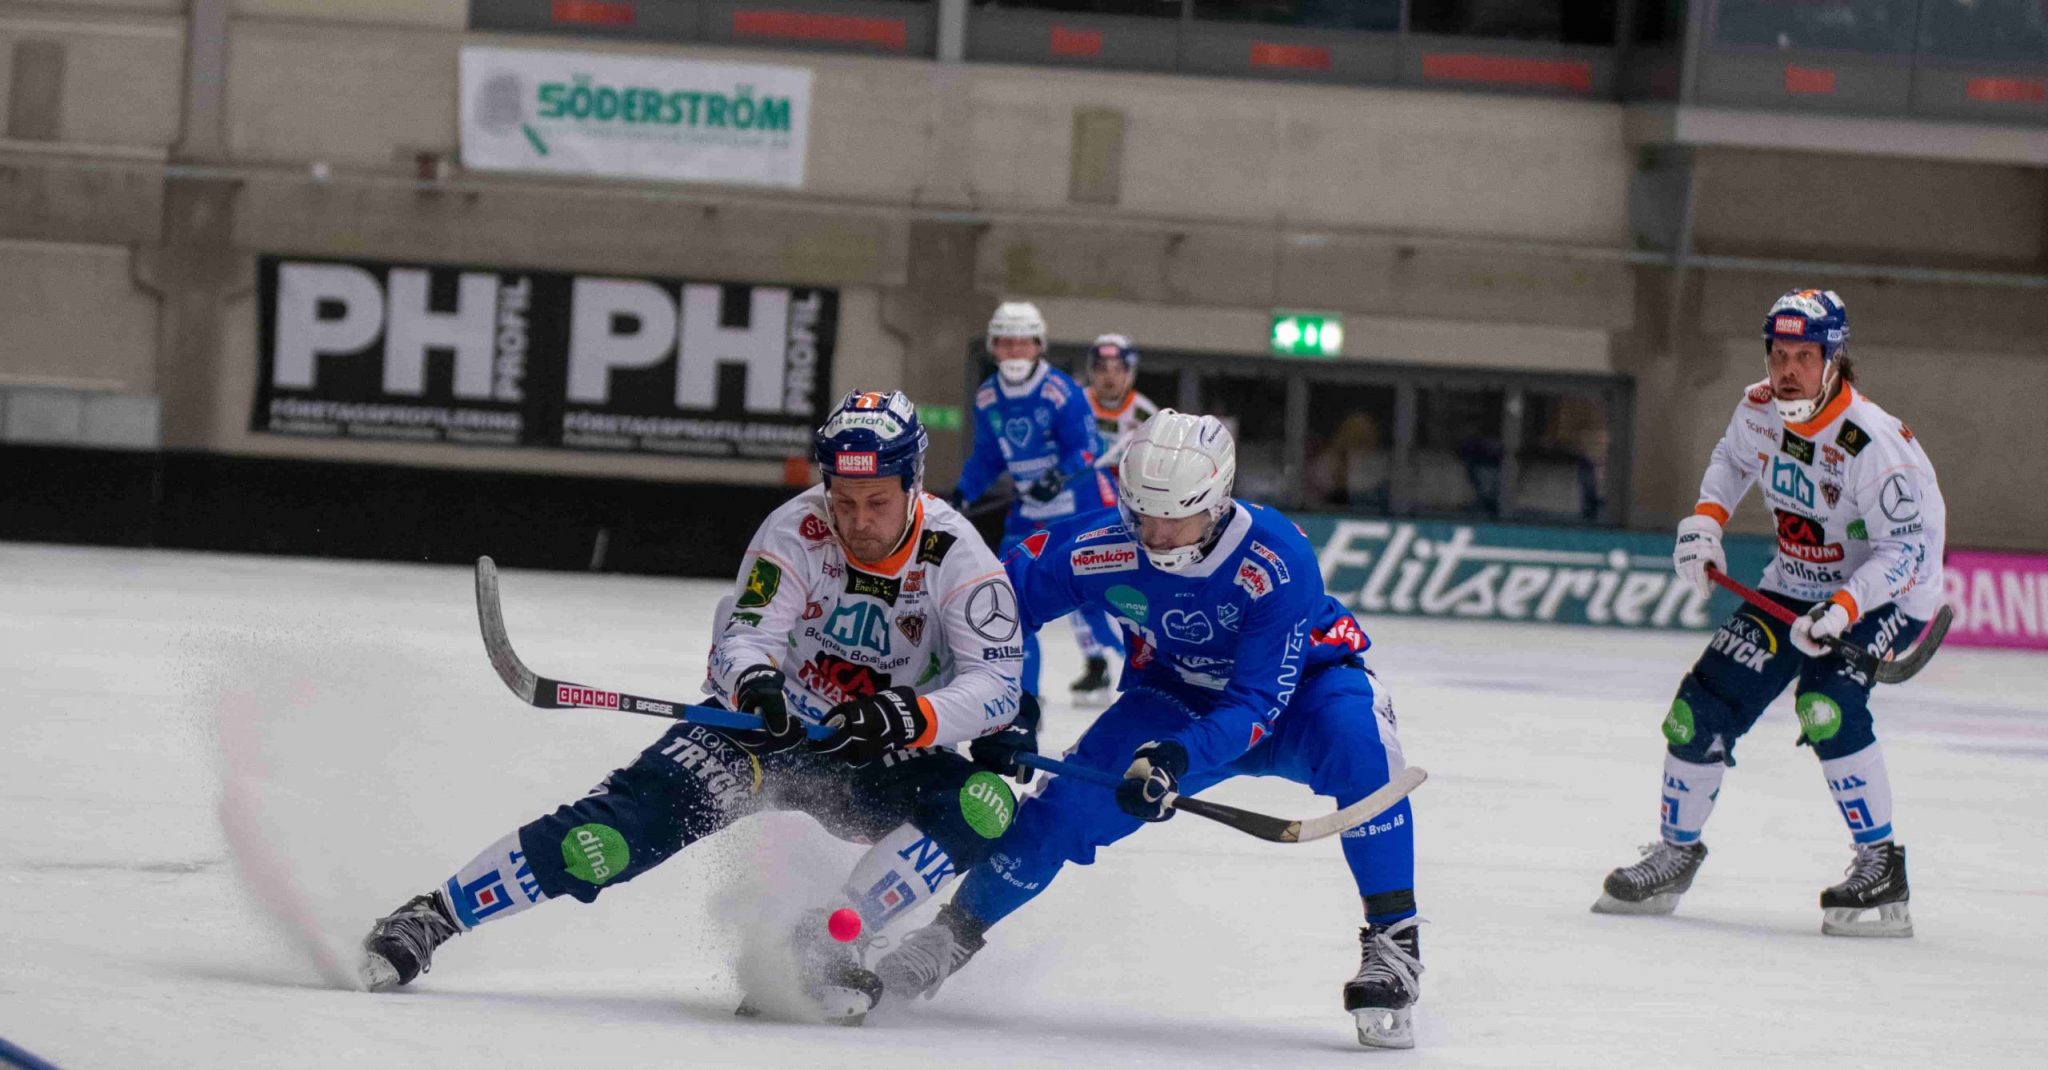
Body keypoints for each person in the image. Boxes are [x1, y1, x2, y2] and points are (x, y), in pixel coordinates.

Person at [358, 390, 1037, 1022]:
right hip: (761, 735)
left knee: (982, 803)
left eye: (878, 502)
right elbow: (744, 633)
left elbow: (998, 685)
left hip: (874, 752)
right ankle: (433, 916)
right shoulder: (796, 529)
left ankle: (830, 938)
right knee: (611, 837)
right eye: (845, 499)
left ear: (914, 483)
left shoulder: (962, 562)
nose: (857, 521)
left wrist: (905, 717)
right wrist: (756, 685)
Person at [879, 410, 1428, 1049]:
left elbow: (1257, 704)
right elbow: (996, 612)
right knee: (1059, 812)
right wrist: (1011, 708)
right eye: (1142, 515)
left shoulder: (1276, 560)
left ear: (1218, 503)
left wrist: (1176, 757)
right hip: (1173, 697)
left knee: (1361, 751)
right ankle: (950, 935)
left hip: (1302, 693)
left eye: (1176, 518)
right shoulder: (1101, 544)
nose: (1157, 535)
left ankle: (1394, 940)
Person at [1593, 289, 1946, 938]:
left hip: (1886, 593)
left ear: (1834, 361)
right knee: (1696, 710)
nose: (1786, 369)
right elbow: (1732, 461)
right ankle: (1676, 851)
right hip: (1792, 583)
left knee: (1827, 703)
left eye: (1803, 357)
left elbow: (1908, 551)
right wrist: (1706, 520)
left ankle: (1882, 862)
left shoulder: (1873, 443)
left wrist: (1843, 608)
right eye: (1779, 354)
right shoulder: (1759, 410)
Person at [949, 301, 1114, 701]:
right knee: (1011, 598)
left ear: (1038, 345)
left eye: (1022, 343)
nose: (1014, 352)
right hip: (1027, 515)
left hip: (1077, 511)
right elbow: (988, 456)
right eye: (1005, 343)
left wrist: (1056, 478)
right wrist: (963, 492)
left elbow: (1087, 448)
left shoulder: (1061, 391)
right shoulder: (988, 397)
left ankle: (1116, 663)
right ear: (993, 347)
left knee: (1091, 595)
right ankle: (1023, 693)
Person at [1062, 332, 1158, 701]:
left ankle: (1140, 662)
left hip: (1126, 521)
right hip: (1078, 512)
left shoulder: (1145, 415)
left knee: (1122, 598)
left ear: (1130, 373)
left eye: (1118, 369)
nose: (1109, 377)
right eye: (1101, 369)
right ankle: (1096, 663)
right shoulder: (1073, 405)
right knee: (1073, 589)